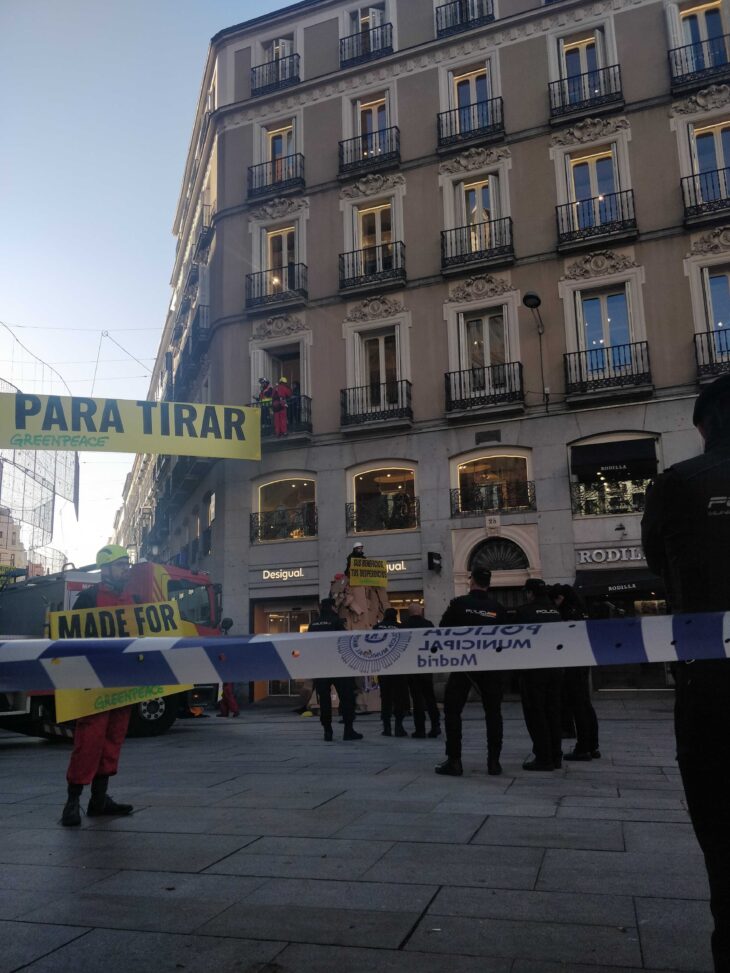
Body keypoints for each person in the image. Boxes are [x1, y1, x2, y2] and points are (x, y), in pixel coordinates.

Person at [641, 373, 730, 973]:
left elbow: (658, 562)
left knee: (723, 847)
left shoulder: (677, 484)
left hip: (711, 690)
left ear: (703, 427)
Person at [61, 545, 136, 827]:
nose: (126, 570)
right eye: (120, 565)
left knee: (113, 740)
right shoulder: (88, 599)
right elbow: (72, 641)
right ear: (105, 570)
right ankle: (72, 802)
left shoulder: (133, 600)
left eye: (127, 565)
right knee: (89, 741)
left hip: (122, 681)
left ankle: (99, 800)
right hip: (93, 682)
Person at [435, 568, 508, 776]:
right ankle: (494, 762)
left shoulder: (459, 604)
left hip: (464, 664)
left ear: (472, 581)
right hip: (490, 666)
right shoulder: (497, 608)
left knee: (452, 711)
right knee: (493, 713)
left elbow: (443, 630)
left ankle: (454, 760)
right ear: (489, 584)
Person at [515, 579, 564, 771]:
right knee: (553, 711)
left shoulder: (525, 611)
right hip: (555, 667)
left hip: (533, 669)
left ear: (530, 593)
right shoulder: (555, 611)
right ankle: (556, 755)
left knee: (536, 713)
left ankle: (544, 757)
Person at [550, 584, 600, 761]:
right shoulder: (581, 610)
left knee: (578, 705)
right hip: (583, 660)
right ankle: (593, 746)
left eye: (555, 600)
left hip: (573, 662)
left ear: (561, 598)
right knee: (585, 705)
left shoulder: (567, 613)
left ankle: (583, 747)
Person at [307, 598, 362, 742]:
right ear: (332, 607)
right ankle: (348, 730)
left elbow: (309, 645)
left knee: (324, 701)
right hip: (338, 667)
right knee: (347, 698)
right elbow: (344, 643)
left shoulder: (313, 624)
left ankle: (327, 731)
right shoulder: (337, 621)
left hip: (320, 667)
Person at [401, 602, 441, 738]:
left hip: (412, 666)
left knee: (417, 698)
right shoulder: (428, 624)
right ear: (421, 611)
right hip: (426, 665)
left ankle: (420, 729)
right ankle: (436, 725)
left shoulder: (404, 625)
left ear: (409, 612)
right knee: (430, 697)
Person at [373, 607, 410, 737]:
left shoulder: (377, 627)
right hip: (399, 668)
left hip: (383, 668)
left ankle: (387, 727)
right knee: (399, 698)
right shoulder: (401, 627)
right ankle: (399, 727)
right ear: (395, 616)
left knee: (385, 698)